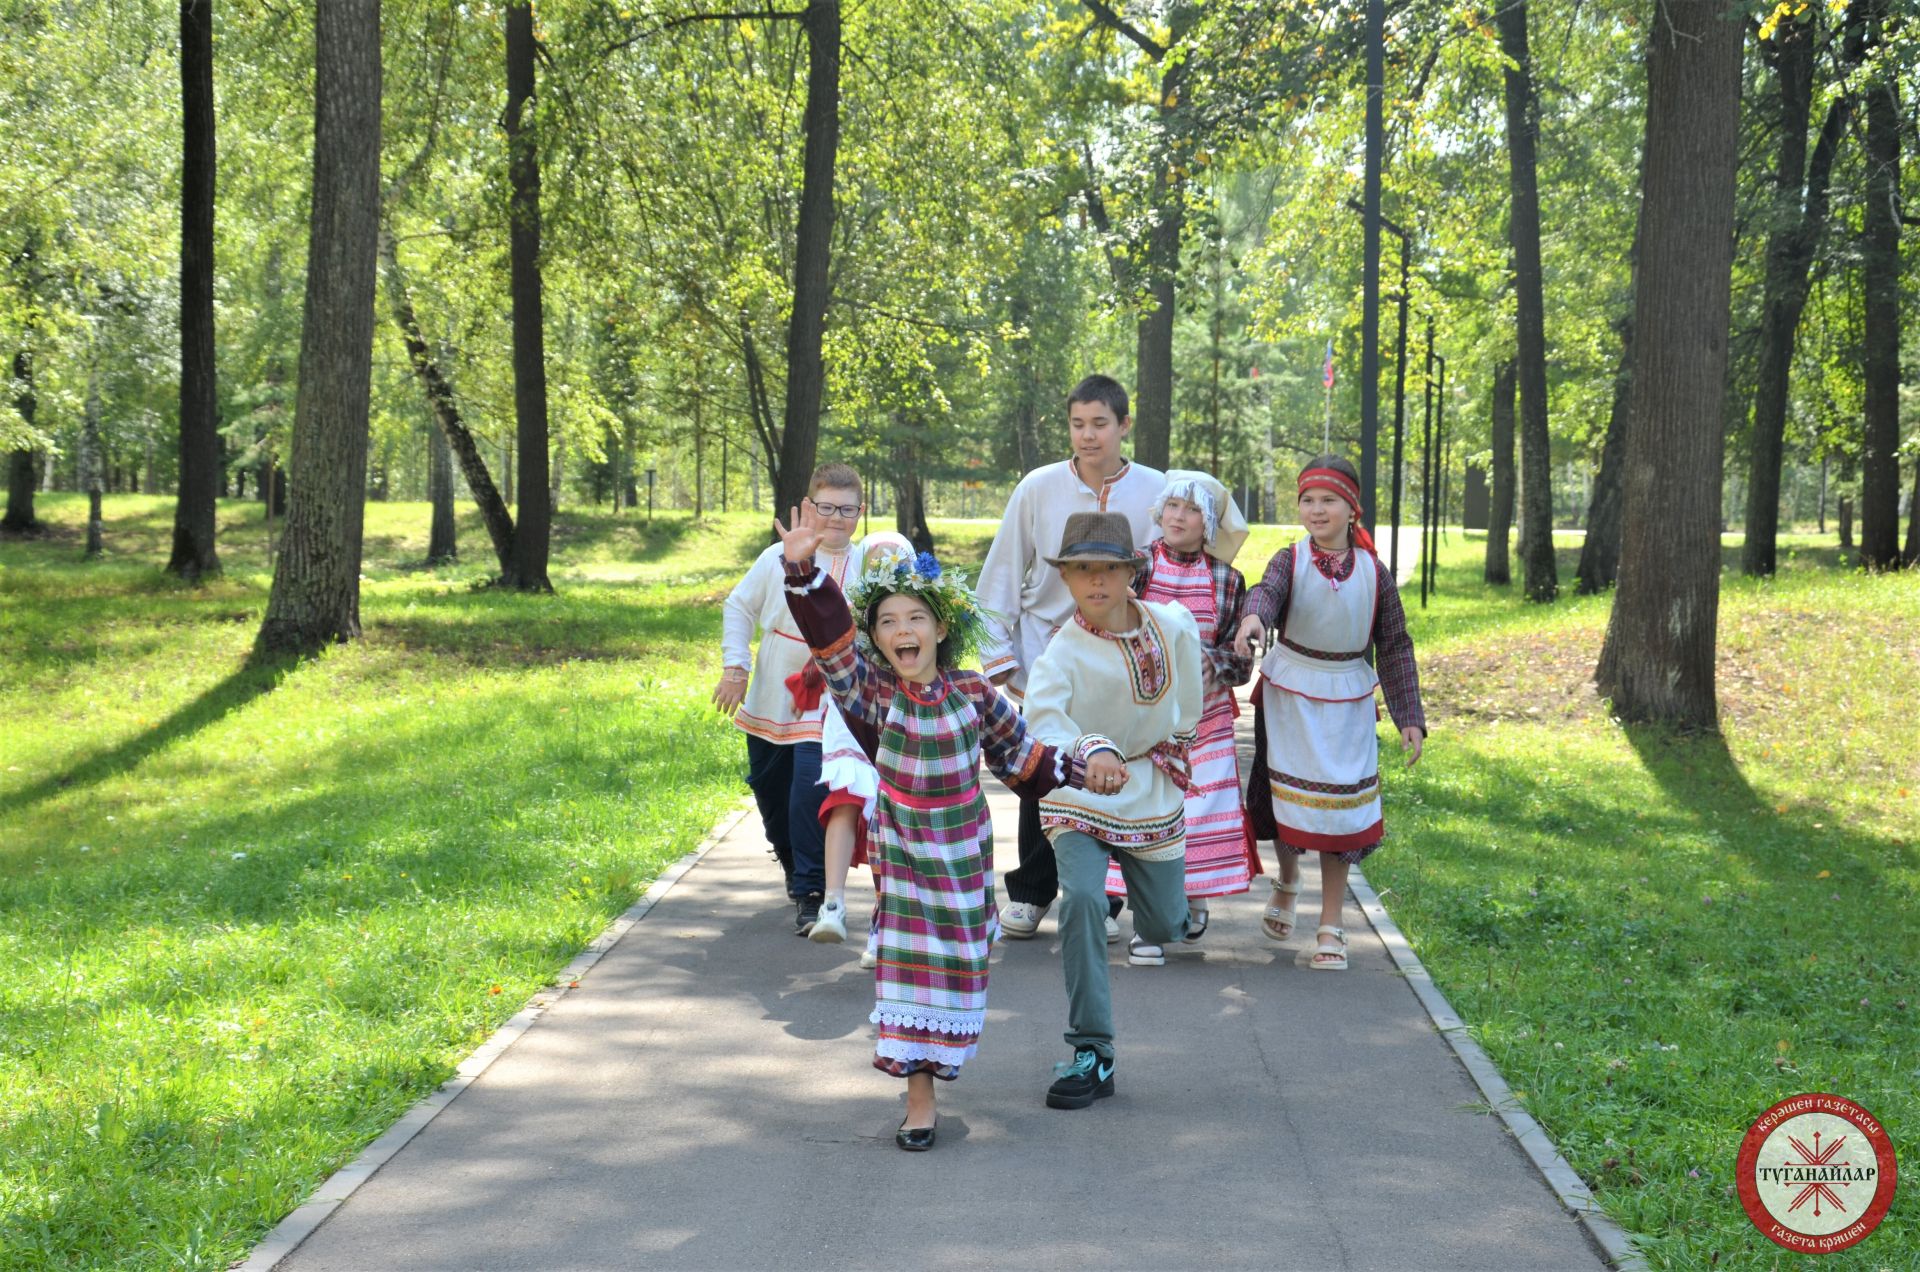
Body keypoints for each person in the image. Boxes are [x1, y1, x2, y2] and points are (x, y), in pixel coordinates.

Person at [775, 503, 1095, 1150]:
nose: (902, 629)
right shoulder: (871, 696)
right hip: (904, 865)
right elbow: (832, 645)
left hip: (963, 869)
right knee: (904, 973)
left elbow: (1026, 759)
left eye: (914, 617)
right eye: (887, 621)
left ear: (941, 626)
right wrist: (805, 569)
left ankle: (932, 1072)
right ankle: (918, 1099)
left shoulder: (975, 693)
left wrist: (1088, 770)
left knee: (954, 978)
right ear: (879, 638)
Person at [1023, 511, 1203, 1109]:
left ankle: (1158, 916)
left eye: (1108, 568)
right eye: (1080, 570)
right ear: (1066, 580)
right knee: (1080, 897)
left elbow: (1190, 693)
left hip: (1150, 786)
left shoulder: (1172, 624)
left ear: (1132, 571)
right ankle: (1091, 1051)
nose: (1095, 582)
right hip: (1079, 791)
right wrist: (1090, 748)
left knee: (1164, 925)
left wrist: (1178, 742)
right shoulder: (1062, 651)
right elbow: (1044, 717)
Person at [976, 375, 1165, 941]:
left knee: (1107, 766)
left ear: (1124, 426)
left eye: (1099, 424)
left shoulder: (1155, 489)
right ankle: (1032, 893)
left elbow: (1181, 563)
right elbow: (1004, 569)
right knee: (1044, 766)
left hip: (1119, 654)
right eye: (1078, 424)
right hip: (1046, 647)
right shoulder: (1038, 486)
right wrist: (998, 655)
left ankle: (1101, 900)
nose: (1088, 436)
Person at [1232, 455, 1427, 970]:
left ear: (1351, 508)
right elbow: (1266, 593)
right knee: (1287, 801)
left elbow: (1395, 644)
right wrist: (1253, 618)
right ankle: (1288, 880)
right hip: (1291, 691)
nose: (1316, 510)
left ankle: (1332, 923)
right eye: (1308, 500)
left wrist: (1409, 714)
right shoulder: (1288, 559)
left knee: (1340, 815)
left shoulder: (1375, 574)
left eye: (1329, 500)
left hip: (1349, 698)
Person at [1103, 471, 1261, 965]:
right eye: (1171, 506)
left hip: (1205, 720)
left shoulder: (1228, 580)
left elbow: (1240, 661)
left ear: (1208, 523)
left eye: (1190, 510)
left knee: (1197, 814)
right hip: (1142, 712)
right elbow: (1108, 626)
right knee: (1143, 808)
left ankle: (1192, 897)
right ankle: (1147, 922)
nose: (1177, 516)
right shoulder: (1139, 565)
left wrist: (1209, 664)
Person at [713, 462, 868, 934]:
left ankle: (811, 892)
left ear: (860, 513)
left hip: (833, 697)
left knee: (809, 789)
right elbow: (739, 606)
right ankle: (789, 861)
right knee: (769, 787)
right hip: (773, 687)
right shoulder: (776, 557)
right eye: (826, 507)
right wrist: (735, 667)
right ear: (808, 505)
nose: (836, 518)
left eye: (847, 509)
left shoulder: (869, 564)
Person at [809, 533, 915, 958]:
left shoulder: (919, 609)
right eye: (879, 561)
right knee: (850, 801)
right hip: (855, 715)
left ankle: (877, 920)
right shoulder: (855, 611)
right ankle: (834, 904)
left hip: (896, 716)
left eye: (894, 561)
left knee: (881, 813)